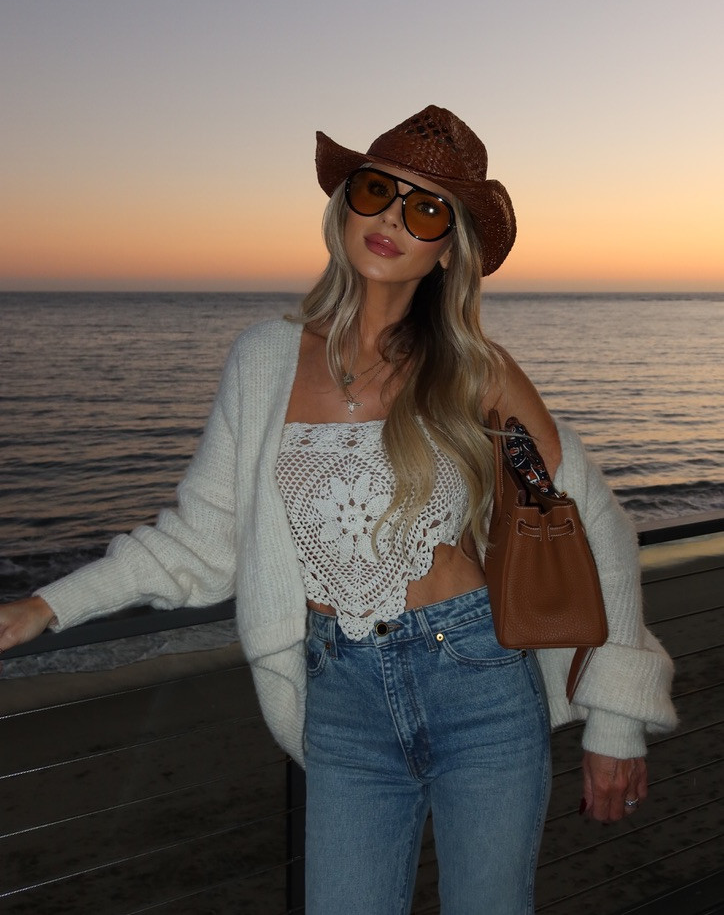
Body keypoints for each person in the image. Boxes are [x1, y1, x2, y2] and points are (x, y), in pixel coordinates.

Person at [0, 106, 676, 914]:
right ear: (344, 205)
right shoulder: (263, 360)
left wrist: (616, 721)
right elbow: (201, 541)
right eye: (377, 191)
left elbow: (593, 526)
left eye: (427, 209)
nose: (393, 219)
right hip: (341, 701)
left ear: (448, 249)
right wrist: (48, 605)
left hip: (479, 683)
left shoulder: (476, 370)